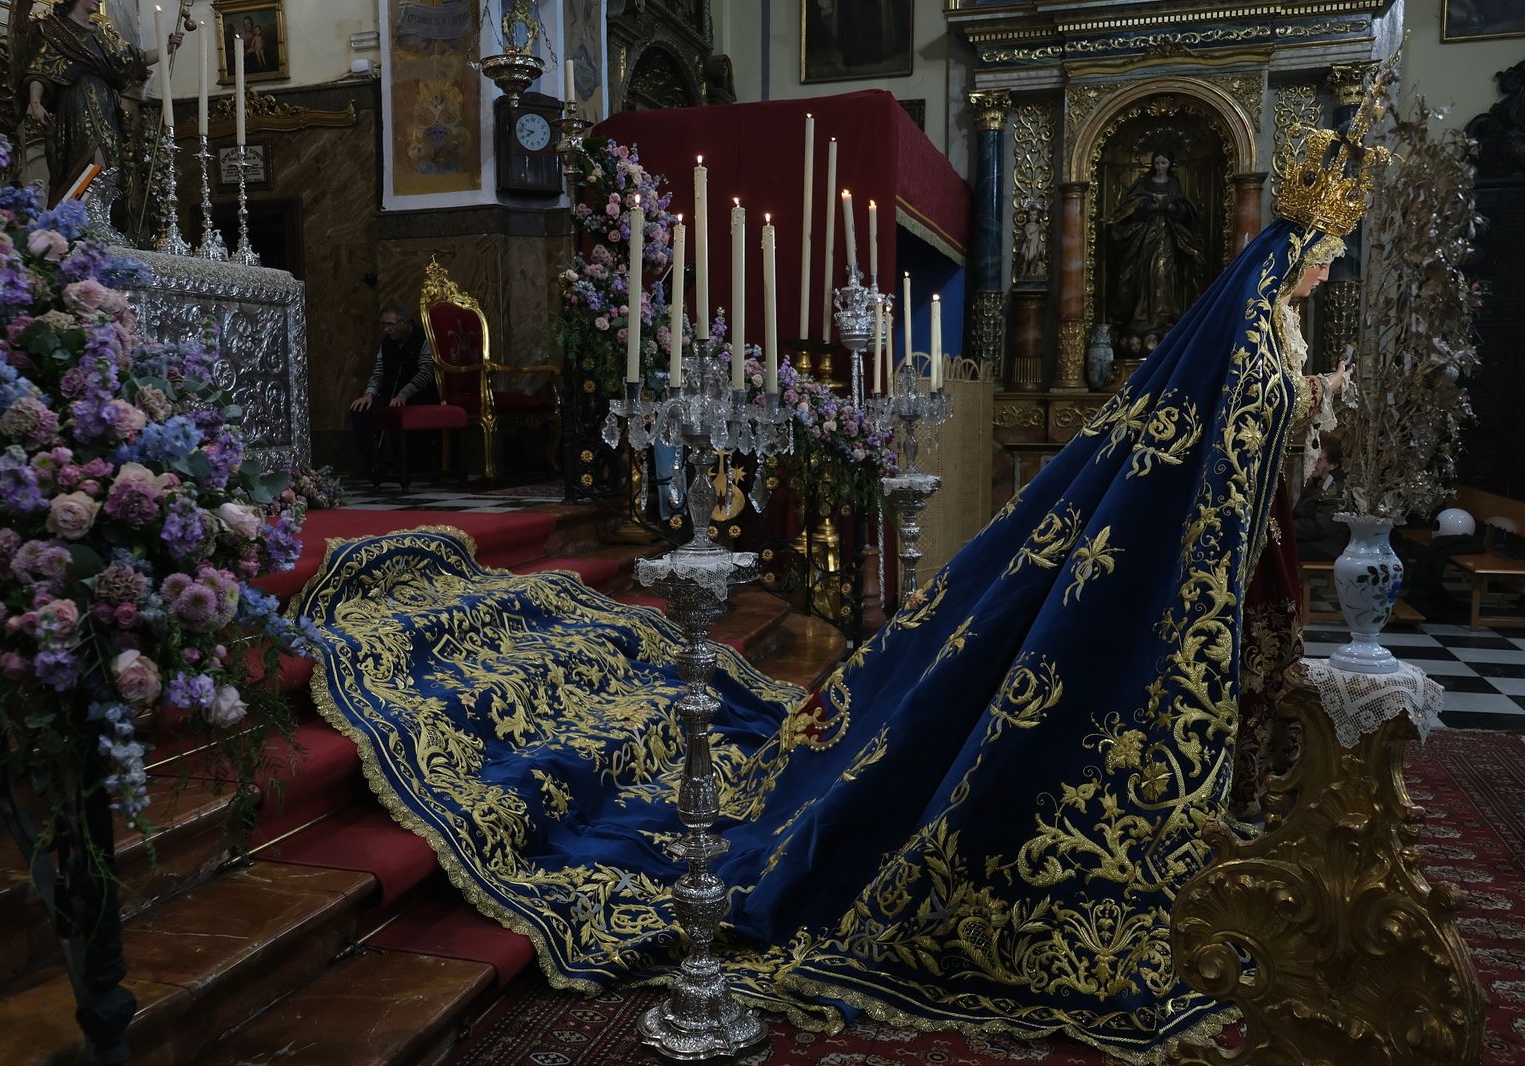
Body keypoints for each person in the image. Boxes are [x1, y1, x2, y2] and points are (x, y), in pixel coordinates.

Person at [299, 116, 1374, 1060]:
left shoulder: (1270, 325)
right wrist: (1313, 406)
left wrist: (1312, 399)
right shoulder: (1249, 327)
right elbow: (1239, 435)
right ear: (1297, 250)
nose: (1325, 271)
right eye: (1324, 255)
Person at [22, 0, 182, 205]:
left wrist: (166, 48)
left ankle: (105, 221)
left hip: (107, 108)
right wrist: (35, 103)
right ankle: (81, 219)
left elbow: (135, 59)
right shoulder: (57, 30)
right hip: (76, 106)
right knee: (85, 160)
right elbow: (39, 70)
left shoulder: (101, 37)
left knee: (111, 164)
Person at [1108, 148, 1204, 336]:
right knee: (1144, 274)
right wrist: (1146, 207)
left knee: (1163, 273)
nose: (1160, 166)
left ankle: (1164, 315)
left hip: (1167, 236)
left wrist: (1172, 207)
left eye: (1164, 163)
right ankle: (1142, 315)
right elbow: (1130, 207)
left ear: (1169, 165)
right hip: (1144, 237)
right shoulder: (1144, 183)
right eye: (1157, 162)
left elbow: (1185, 210)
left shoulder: (1174, 185)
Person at [348, 305, 438, 476]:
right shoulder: (387, 343)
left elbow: (426, 373)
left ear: (406, 323)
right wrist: (369, 394)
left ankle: (410, 464)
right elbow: (379, 372)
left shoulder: (423, 339)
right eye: (383, 325)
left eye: (390, 324)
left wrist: (403, 394)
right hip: (389, 394)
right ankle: (374, 459)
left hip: (417, 394)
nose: (386, 329)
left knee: (403, 409)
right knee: (360, 409)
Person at [1293, 434, 1350, 560]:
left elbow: (1322, 526)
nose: (1312, 464)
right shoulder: (1319, 482)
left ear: (1333, 465)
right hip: (1314, 542)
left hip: (1326, 547)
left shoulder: (1333, 486)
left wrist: (1288, 528)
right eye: (1310, 459)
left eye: (1318, 461)